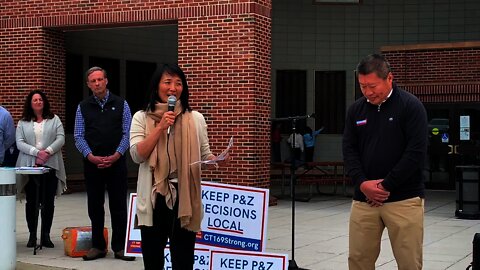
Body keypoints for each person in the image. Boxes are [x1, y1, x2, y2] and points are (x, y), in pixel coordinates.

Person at [129, 64, 228, 270]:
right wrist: (160, 128)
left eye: (178, 83)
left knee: (183, 259)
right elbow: (137, 155)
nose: (173, 88)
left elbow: (204, 154)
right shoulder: (141, 117)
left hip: (184, 198)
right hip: (154, 197)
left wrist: (215, 159)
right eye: (167, 82)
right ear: (157, 87)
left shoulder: (196, 119)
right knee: (153, 259)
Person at [343, 54, 427, 270]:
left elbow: (415, 153)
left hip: (403, 199)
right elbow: (349, 150)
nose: (368, 92)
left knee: (409, 262)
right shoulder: (356, 110)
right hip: (364, 200)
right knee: (358, 260)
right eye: (362, 87)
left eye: (372, 86)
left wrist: (384, 186)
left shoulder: (411, 106)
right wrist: (363, 184)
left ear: (389, 78)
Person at [74, 67, 135, 261]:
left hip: (116, 163)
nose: (97, 83)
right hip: (93, 164)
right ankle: (98, 246)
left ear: (106, 81)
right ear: (88, 84)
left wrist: (117, 154)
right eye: (93, 81)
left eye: (100, 79)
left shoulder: (121, 104)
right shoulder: (82, 107)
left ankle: (119, 247)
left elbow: (128, 133)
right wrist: (90, 155)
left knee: (118, 205)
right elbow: (78, 136)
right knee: (95, 206)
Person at [15, 90, 67, 248]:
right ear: (30, 103)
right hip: (30, 166)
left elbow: (61, 138)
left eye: (40, 99)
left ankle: (46, 236)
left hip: (50, 165)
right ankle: (32, 236)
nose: (38, 102)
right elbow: (19, 142)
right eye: (34, 100)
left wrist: (48, 152)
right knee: (32, 202)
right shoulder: (23, 122)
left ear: (44, 102)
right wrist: (36, 153)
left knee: (48, 202)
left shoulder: (54, 119)